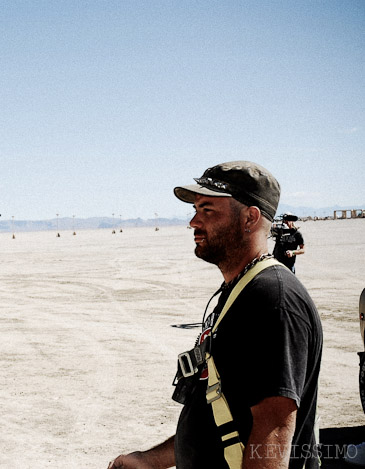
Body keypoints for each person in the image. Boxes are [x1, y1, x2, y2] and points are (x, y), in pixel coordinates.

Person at [109, 161, 322, 469]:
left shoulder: (274, 299)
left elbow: (272, 433)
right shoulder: (240, 290)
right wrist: (149, 460)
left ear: (250, 217)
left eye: (207, 210)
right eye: (195, 209)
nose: (194, 221)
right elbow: (223, 418)